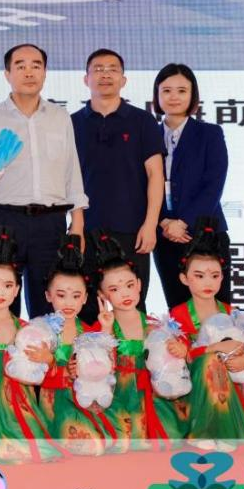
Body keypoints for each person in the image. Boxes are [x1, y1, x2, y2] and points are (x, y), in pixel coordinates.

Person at [0, 43, 87, 317]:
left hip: (50, 224)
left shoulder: (60, 117)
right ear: (7, 74)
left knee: (48, 308)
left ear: (45, 72)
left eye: (36, 65)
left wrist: (78, 224)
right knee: (0, 307)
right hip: (3, 222)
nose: (29, 72)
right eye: (20, 66)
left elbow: (72, 173)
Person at [71, 49, 164, 322]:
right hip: (87, 229)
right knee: (87, 307)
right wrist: (76, 227)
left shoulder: (142, 120)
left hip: (133, 229)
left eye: (112, 69)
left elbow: (156, 175)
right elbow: (67, 179)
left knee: (133, 305)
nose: (105, 75)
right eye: (98, 69)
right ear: (86, 79)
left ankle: (133, 352)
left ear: (123, 79)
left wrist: (150, 224)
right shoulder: (72, 123)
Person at [0, 227, 62, 463]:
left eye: (7, 285)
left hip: (21, 400)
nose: (0, 292)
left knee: (34, 447)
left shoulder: (27, 328)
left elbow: (45, 372)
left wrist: (48, 359)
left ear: (17, 290)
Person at [91, 232, 190, 451]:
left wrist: (179, 349)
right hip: (118, 395)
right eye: (114, 289)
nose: (124, 293)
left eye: (129, 285)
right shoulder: (102, 326)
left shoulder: (156, 325)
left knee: (170, 435)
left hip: (153, 393)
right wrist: (106, 330)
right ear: (102, 295)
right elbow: (98, 368)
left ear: (138, 284)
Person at [168, 219, 244, 450]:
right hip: (193, 380)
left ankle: (224, 431)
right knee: (210, 362)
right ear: (184, 278)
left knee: (216, 364)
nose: (208, 282)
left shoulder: (231, 312)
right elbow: (181, 356)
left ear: (222, 277)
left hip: (227, 378)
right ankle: (205, 430)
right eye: (199, 276)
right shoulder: (177, 314)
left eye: (215, 275)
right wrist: (215, 348)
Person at [151, 64, 230, 308]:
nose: (174, 97)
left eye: (182, 90)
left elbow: (214, 184)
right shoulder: (148, 135)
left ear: (192, 95)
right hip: (164, 235)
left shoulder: (210, 133)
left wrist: (183, 222)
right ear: (157, 95)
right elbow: (141, 185)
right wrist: (163, 222)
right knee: (178, 309)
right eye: (166, 91)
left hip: (205, 233)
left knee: (216, 310)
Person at [37, 235, 114, 456]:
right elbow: (33, 373)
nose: (69, 303)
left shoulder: (90, 332)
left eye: (76, 296)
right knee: (89, 445)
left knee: (113, 441)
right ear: (48, 295)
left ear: (85, 298)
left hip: (85, 398)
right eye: (61, 295)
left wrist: (106, 328)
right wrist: (60, 369)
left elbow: (107, 366)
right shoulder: (41, 330)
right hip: (55, 401)